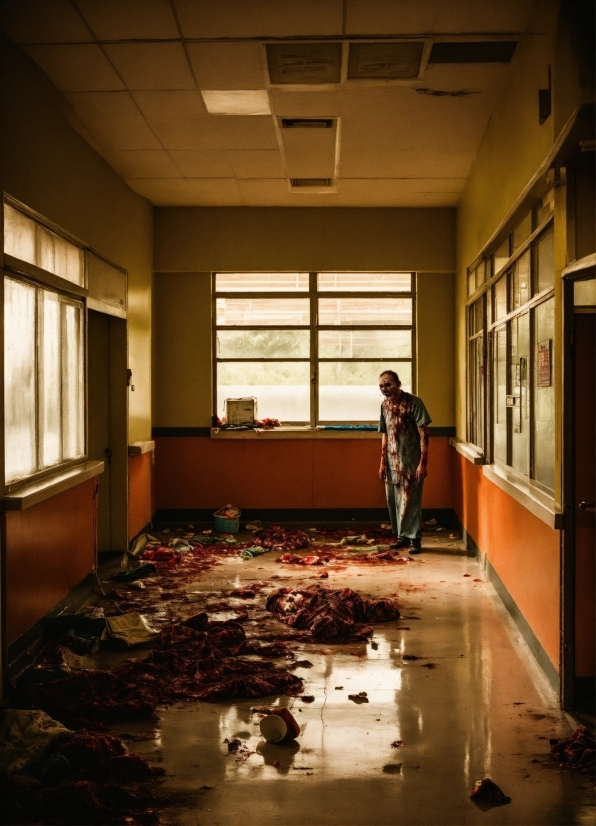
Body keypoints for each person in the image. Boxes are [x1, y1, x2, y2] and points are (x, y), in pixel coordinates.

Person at [378, 370, 431, 554]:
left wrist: (422, 463)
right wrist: (382, 462)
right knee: (394, 500)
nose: (385, 389)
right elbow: (385, 434)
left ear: (398, 383)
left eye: (388, 384)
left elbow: (424, 433)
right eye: (382, 386)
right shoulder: (384, 406)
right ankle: (402, 536)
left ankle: (415, 539)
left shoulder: (414, 403)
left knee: (411, 500)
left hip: (410, 461)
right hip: (392, 463)